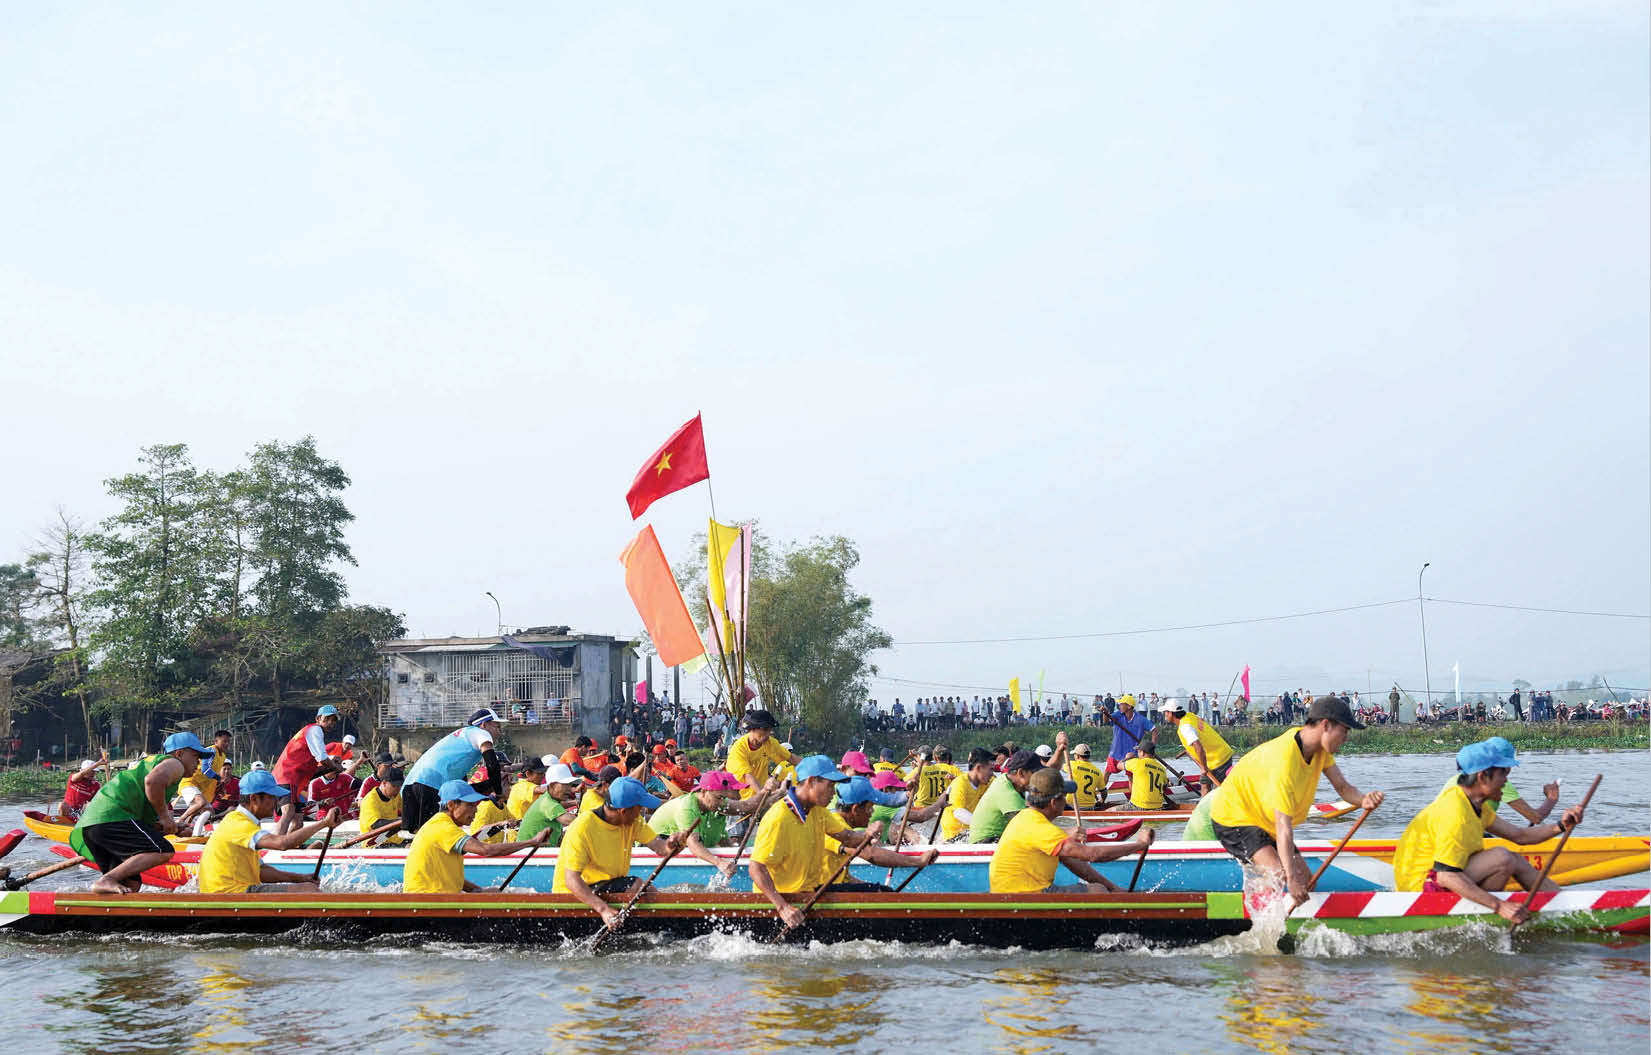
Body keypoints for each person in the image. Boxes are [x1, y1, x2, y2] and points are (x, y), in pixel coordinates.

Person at [1209, 695, 1384, 906]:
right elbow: (1284, 827)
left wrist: (1364, 800)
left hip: (1264, 820)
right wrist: (1290, 880)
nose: (1346, 738)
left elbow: (1344, 788)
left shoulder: (1319, 750)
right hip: (1233, 816)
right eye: (1344, 731)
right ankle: (1253, 922)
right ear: (1326, 725)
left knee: (1308, 882)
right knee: (1279, 875)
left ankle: (1283, 918)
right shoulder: (1284, 761)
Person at [1392, 738, 1584, 922]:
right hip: (1421, 891)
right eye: (1503, 774)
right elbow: (1445, 876)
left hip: (1437, 880)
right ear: (1483, 777)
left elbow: (1521, 836)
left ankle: (1565, 905)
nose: (1506, 782)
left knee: (1507, 862)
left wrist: (1562, 825)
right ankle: (1566, 908)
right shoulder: (1456, 812)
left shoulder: (1475, 804)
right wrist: (1499, 905)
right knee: (1503, 857)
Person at [748, 756, 917, 929]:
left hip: (812, 893)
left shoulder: (817, 811)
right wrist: (783, 908)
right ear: (811, 781)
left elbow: (848, 837)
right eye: (830, 786)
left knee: (883, 894)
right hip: (784, 903)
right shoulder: (778, 818)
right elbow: (756, 868)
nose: (833, 793)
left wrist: (867, 834)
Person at [69, 731, 214, 895]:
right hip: (112, 817)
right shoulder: (175, 764)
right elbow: (152, 781)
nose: (199, 762)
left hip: (94, 824)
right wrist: (166, 817)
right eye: (196, 756)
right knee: (162, 850)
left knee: (131, 883)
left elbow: (141, 826)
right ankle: (107, 879)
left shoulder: (153, 764)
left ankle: (113, 914)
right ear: (180, 753)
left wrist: (176, 828)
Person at [989, 768, 1156, 893]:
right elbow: (1092, 855)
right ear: (1054, 803)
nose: (1067, 800)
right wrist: (1138, 845)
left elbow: (1080, 866)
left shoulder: (1028, 819)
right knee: (1097, 892)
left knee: (1100, 888)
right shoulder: (1040, 827)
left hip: (1016, 893)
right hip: (1025, 896)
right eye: (1065, 796)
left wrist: (1114, 889)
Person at [553, 777, 688, 927]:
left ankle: (670, 921)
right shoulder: (583, 828)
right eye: (639, 808)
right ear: (624, 811)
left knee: (644, 888)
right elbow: (571, 880)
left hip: (605, 885)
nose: (642, 812)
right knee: (637, 885)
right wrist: (603, 909)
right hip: (574, 893)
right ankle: (669, 923)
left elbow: (662, 848)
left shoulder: (632, 821)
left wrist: (674, 845)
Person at [198, 769, 343, 894]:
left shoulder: (245, 822)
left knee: (305, 886)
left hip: (236, 891)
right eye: (271, 797)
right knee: (308, 891)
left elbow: (261, 871)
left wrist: (300, 878)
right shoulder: (237, 822)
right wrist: (324, 823)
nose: (276, 802)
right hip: (229, 894)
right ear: (254, 798)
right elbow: (282, 843)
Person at [818, 776, 940, 891]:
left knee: (885, 892)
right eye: (870, 807)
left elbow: (843, 877)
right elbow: (870, 854)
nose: (871, 813)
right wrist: (918, 861)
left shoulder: (836, 821)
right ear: (855, 809)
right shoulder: (836, 826)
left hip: (832, 887)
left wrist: (879, 890)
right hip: (820, 891)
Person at [403, 708, 505, 835]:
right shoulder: (481, 733)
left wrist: (489, 786)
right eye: (497, 726)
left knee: (420, 833)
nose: (499, 732)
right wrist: (498, 790)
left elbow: (462, 788)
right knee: (431, 834)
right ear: (484, 724)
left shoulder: (461, 741)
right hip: (430, 783)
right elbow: (492, 764)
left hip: (410, 786)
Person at [648, 770, 751, 880]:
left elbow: (723, 840)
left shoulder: (716, 806)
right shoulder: (687, 807)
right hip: (655, 845)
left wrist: (738, 858)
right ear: (703, 792)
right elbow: (693, 844)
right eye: (736, 791)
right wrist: (719, 863)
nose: (739, 796)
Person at [272, 705, 345, 835]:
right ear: (318, 718)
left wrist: (333, 764)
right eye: (327, 719)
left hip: (293, 779)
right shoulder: (315, 730)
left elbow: (316, 767)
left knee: (298, 821)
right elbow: (322, 758)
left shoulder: (314, 733)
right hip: (286, 776)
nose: (330, 723)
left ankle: (289, 845)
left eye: (334, 720)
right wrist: (335, 767)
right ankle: (276, 844)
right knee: (288, 812)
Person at [968, 750, 1044, 843]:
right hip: (984, 842)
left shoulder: (1014, 783)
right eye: (1035, 774)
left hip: (994, 838)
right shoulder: (1006, 791)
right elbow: (1027, 827)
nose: (1039, 779)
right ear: (1021, 773)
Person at [725, 709, 799, 803]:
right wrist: (762, 794)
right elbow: (748, 776)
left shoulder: (770, 743)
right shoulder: (739, 749)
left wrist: (812, 766)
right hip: (742, 801)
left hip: (761, 796)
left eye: (769, 730)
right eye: (764, 729)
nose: (768, 734)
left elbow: (791, 758)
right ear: (753, 728)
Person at [1164, 700, 1234, 793]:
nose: (1164, 714)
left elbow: (1198, 747)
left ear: (1171, 713)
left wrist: (1204, 767)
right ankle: (1203, 805)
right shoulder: (1190, 715)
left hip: (1218, 759)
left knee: (1221, 791)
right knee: (1204, 784)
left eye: (1166, 712)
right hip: (1212, 757)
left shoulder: (1185, 727)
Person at [176, 729, 232, 835]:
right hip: (190, 782)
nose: (227, 744)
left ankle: (188, 830)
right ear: (216, 741)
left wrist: (221, 786)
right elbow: (205, 769)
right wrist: (219, 778)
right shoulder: (211, 751)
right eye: (224, 741)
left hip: (201, 787)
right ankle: (180, 821)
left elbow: (215, 774)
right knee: (200, 803)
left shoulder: (223, 756)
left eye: (228, 742)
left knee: (209, 811)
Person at [518, 761, 581, 845]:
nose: (569, 789)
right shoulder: (547, 803)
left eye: (570, 785)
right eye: (565, 785)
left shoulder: (551, 801)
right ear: (552, 785)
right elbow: (574, 822)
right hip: (528, 853)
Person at [941, 748, 996, 841]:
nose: (992, 774)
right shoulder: (959, 783)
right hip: (954, 835)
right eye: (990, 769)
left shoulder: (988, 782)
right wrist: (986, 825)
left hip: (972, 831)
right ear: (978, 768)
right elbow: (958, 813)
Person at [1104, 695, 1152, 775]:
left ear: (1129, 706)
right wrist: (1105, 713)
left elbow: (1154, 731)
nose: (1119, 706)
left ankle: (1133, 787)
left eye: (1122, 704)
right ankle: (1101, 787)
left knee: (1131, 777)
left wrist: (1151, 747)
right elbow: (1106, 721)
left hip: (1132, 754)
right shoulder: (1118, 715)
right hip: (1116, 752)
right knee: (1106, 773)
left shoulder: (1140, 719)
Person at [1123, 741, 1176, 811]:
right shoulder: (1162, 768)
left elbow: (1118, 765)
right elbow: (1165, 786)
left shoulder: (1137, 762)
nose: (1137, 754)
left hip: (1139, 807)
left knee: (1109, 811)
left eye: (1138, 752)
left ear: (1143, 753)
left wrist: (1128, 758)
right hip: (1158, 807)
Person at [359, 766, 404, 838]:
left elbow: (405, 811)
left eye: (400, 785)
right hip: (373, 842)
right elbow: (376, 825)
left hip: (389, 837)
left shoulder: (396, 796)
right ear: (384, 783)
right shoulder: (370, 800)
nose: (397, 789)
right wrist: (401, 821)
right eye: (394, 785)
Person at [1067, 744, 1107, 811]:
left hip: (1072, 806)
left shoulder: (1071, 765)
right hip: (1089, 807)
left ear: (1077, 756)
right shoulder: (1097, 771)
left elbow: (1056, 766)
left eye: (1074, 754)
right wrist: (1101, 801)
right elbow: (1104, 792)